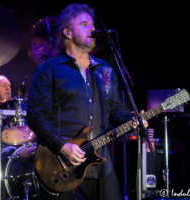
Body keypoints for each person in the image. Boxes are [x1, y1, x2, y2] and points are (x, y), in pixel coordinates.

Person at [27, 3, 147, 200]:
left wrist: (131, 121)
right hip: (58, 162)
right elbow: (35, 114)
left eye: (92, 25)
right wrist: (62, 146)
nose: (92, 29)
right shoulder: (49, 69)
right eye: (84, 24)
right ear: (67, 32)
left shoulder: (105, 70)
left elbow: (115, 109)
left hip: (99, 162)